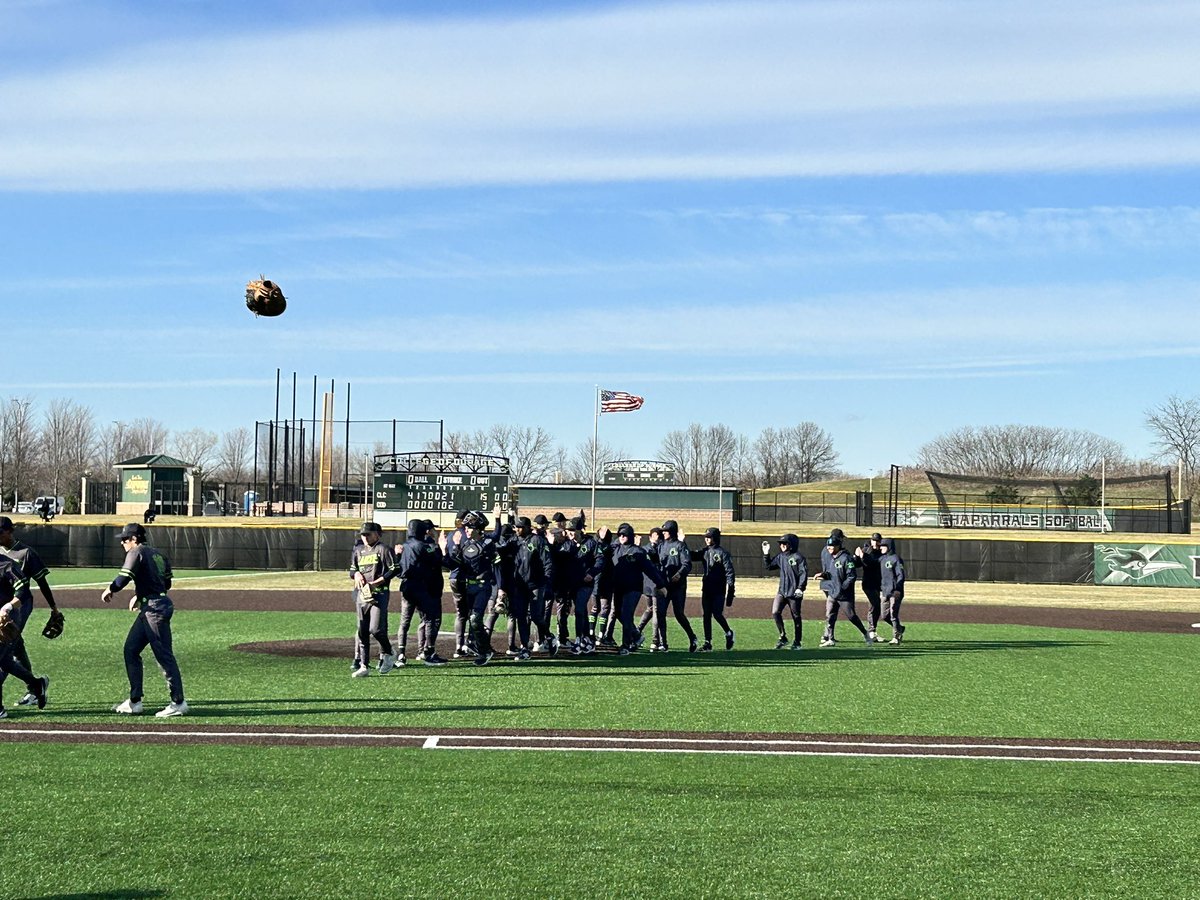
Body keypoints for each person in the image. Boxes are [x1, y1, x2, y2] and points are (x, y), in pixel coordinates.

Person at [101, 523, 188, 717]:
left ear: (134, 539)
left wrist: (110, 589)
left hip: (155, 610)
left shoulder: (135, 552)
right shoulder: (158, 554)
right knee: (131, 649)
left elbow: (123, 578)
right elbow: (166, 583)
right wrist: (141, 596)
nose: (122, 542)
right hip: (154, 605)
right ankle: (135, 701)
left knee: (163, 655)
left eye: (125, 539)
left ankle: (178, 702)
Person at [0, 516, 61, 706]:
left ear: (10, 531)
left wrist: (53, 608)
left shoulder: (26, 553)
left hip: (20, 605)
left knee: (6, 650)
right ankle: (35, 687)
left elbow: (41, 582)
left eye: (1, 532)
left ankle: (32, 688)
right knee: (15, 646)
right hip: (3, 604)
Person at [443, 510, 500, 666]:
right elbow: (453, 564)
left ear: (478, 529)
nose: (465, 530)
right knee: (471, 619)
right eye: (466, 527)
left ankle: (484, 651)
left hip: (483, 586)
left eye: (469, 527)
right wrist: (446, 549)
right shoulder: (465, 543)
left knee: (475, 619)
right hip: (469, 587)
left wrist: (500, 590)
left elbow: (496, 567)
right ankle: (481, 646)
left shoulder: (488, 544)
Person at [0, 559, 50, 719]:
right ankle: (37, 684)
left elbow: (23, 592)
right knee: (6, 661)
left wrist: (7, 607)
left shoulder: (7, 565)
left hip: (6, 617)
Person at [395, 519, 448, 666]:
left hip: (406, 588)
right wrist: (441, 548)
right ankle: (429, 653)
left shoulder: (403, 546)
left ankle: (401, 655)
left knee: (404, 622)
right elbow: (437, 561)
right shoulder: (425, 546)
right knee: (429, 619)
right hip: (422, 588)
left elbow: (398, 569)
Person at [608, 523, 667, 655]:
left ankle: (626, 645)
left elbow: (650, 569)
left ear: (630, 536)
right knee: (617, 613)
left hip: (633, 589)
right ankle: (636, 635)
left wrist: (661, 585)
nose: (622, 537)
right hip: (618, 588)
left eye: (624, 535)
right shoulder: (615, 549)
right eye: (620, 535)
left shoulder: (639, 552)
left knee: (626, 615)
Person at [348, 522, 398, 677]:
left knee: (375, 629)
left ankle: (389, 652)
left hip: (379, 594)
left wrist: (378, 582)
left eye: (368, 534)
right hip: (362, 594)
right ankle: (364, 665)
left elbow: (395, 568)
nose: (365, 537)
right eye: (363, 534)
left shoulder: (383, 549)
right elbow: (352, 569)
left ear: (377, 534)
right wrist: (355, 574)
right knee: (362, 631)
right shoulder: (358, 550)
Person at [655, 520, 700, 653]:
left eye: (666, 531)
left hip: (678, 586)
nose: (664, 533)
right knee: (660, 613)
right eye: (663, 531)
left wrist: (679, 574)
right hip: (664, 585)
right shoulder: (660, 546)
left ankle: (692, 637)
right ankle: (663, 643)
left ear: (672, 531)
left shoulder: (680, 546)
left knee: (678, 614)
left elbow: (687, 563)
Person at [818, 536, 871, 648]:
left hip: (844, 595)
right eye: (828, 546)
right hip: (833, 592)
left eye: (832, 546)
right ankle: (830, 638)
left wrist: (842, 587)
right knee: (830, 616)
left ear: (838, 546)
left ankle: (865, 633)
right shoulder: (832, 558)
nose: (829, 548)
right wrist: (823, 575)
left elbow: (851, 576)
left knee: (851, 616)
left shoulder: (846, 558)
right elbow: (831, 574)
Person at [764, 533, 807, 649]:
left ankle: (797, 642)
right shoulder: (780, 557)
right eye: (781, 544)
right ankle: (783, 636)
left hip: (794, 593)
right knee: (775, 612)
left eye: (784, 543)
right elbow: (769, 566)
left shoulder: (798, 557)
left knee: (796, 616)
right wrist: (766, 554)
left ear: (791, 544)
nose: (782, 546)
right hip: (782, 591)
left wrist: (800, 588)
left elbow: (803, 574)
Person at [698, 527, 736, 651]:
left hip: (719, 589)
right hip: (707, 588)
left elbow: (730, 572)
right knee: (706, 615)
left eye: (709, 537)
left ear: (715, 538)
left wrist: (731, 589)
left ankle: (729, 632)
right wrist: (682, 542)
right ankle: (707, 642)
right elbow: (691, 555)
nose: (707, 540)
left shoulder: (722, 553)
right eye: (706, 537)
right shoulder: (704, 552)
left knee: (717, 613)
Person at [854, 533, 886, 643]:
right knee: (875, 604)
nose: (876, 543)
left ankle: (872, 631)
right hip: (868, 583)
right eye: (873, 540)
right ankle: (871, 631)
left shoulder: (882, 552)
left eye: (877, 541)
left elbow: (876, 563)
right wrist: (858, 556)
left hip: (877, 583)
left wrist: (863, 557)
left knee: (875, 606)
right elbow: (859, 564)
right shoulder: (867, 551)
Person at [878, 537, 907, 644]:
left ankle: (896, 637)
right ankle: (899, 628)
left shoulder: (896, 559)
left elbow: (901, 575)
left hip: (895, 592)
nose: (881, 548)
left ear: (889, 547)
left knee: (893, 614)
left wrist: (898, 589)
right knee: (884, 615)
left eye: (883, 546)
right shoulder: (882, 559)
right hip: (885, 591)